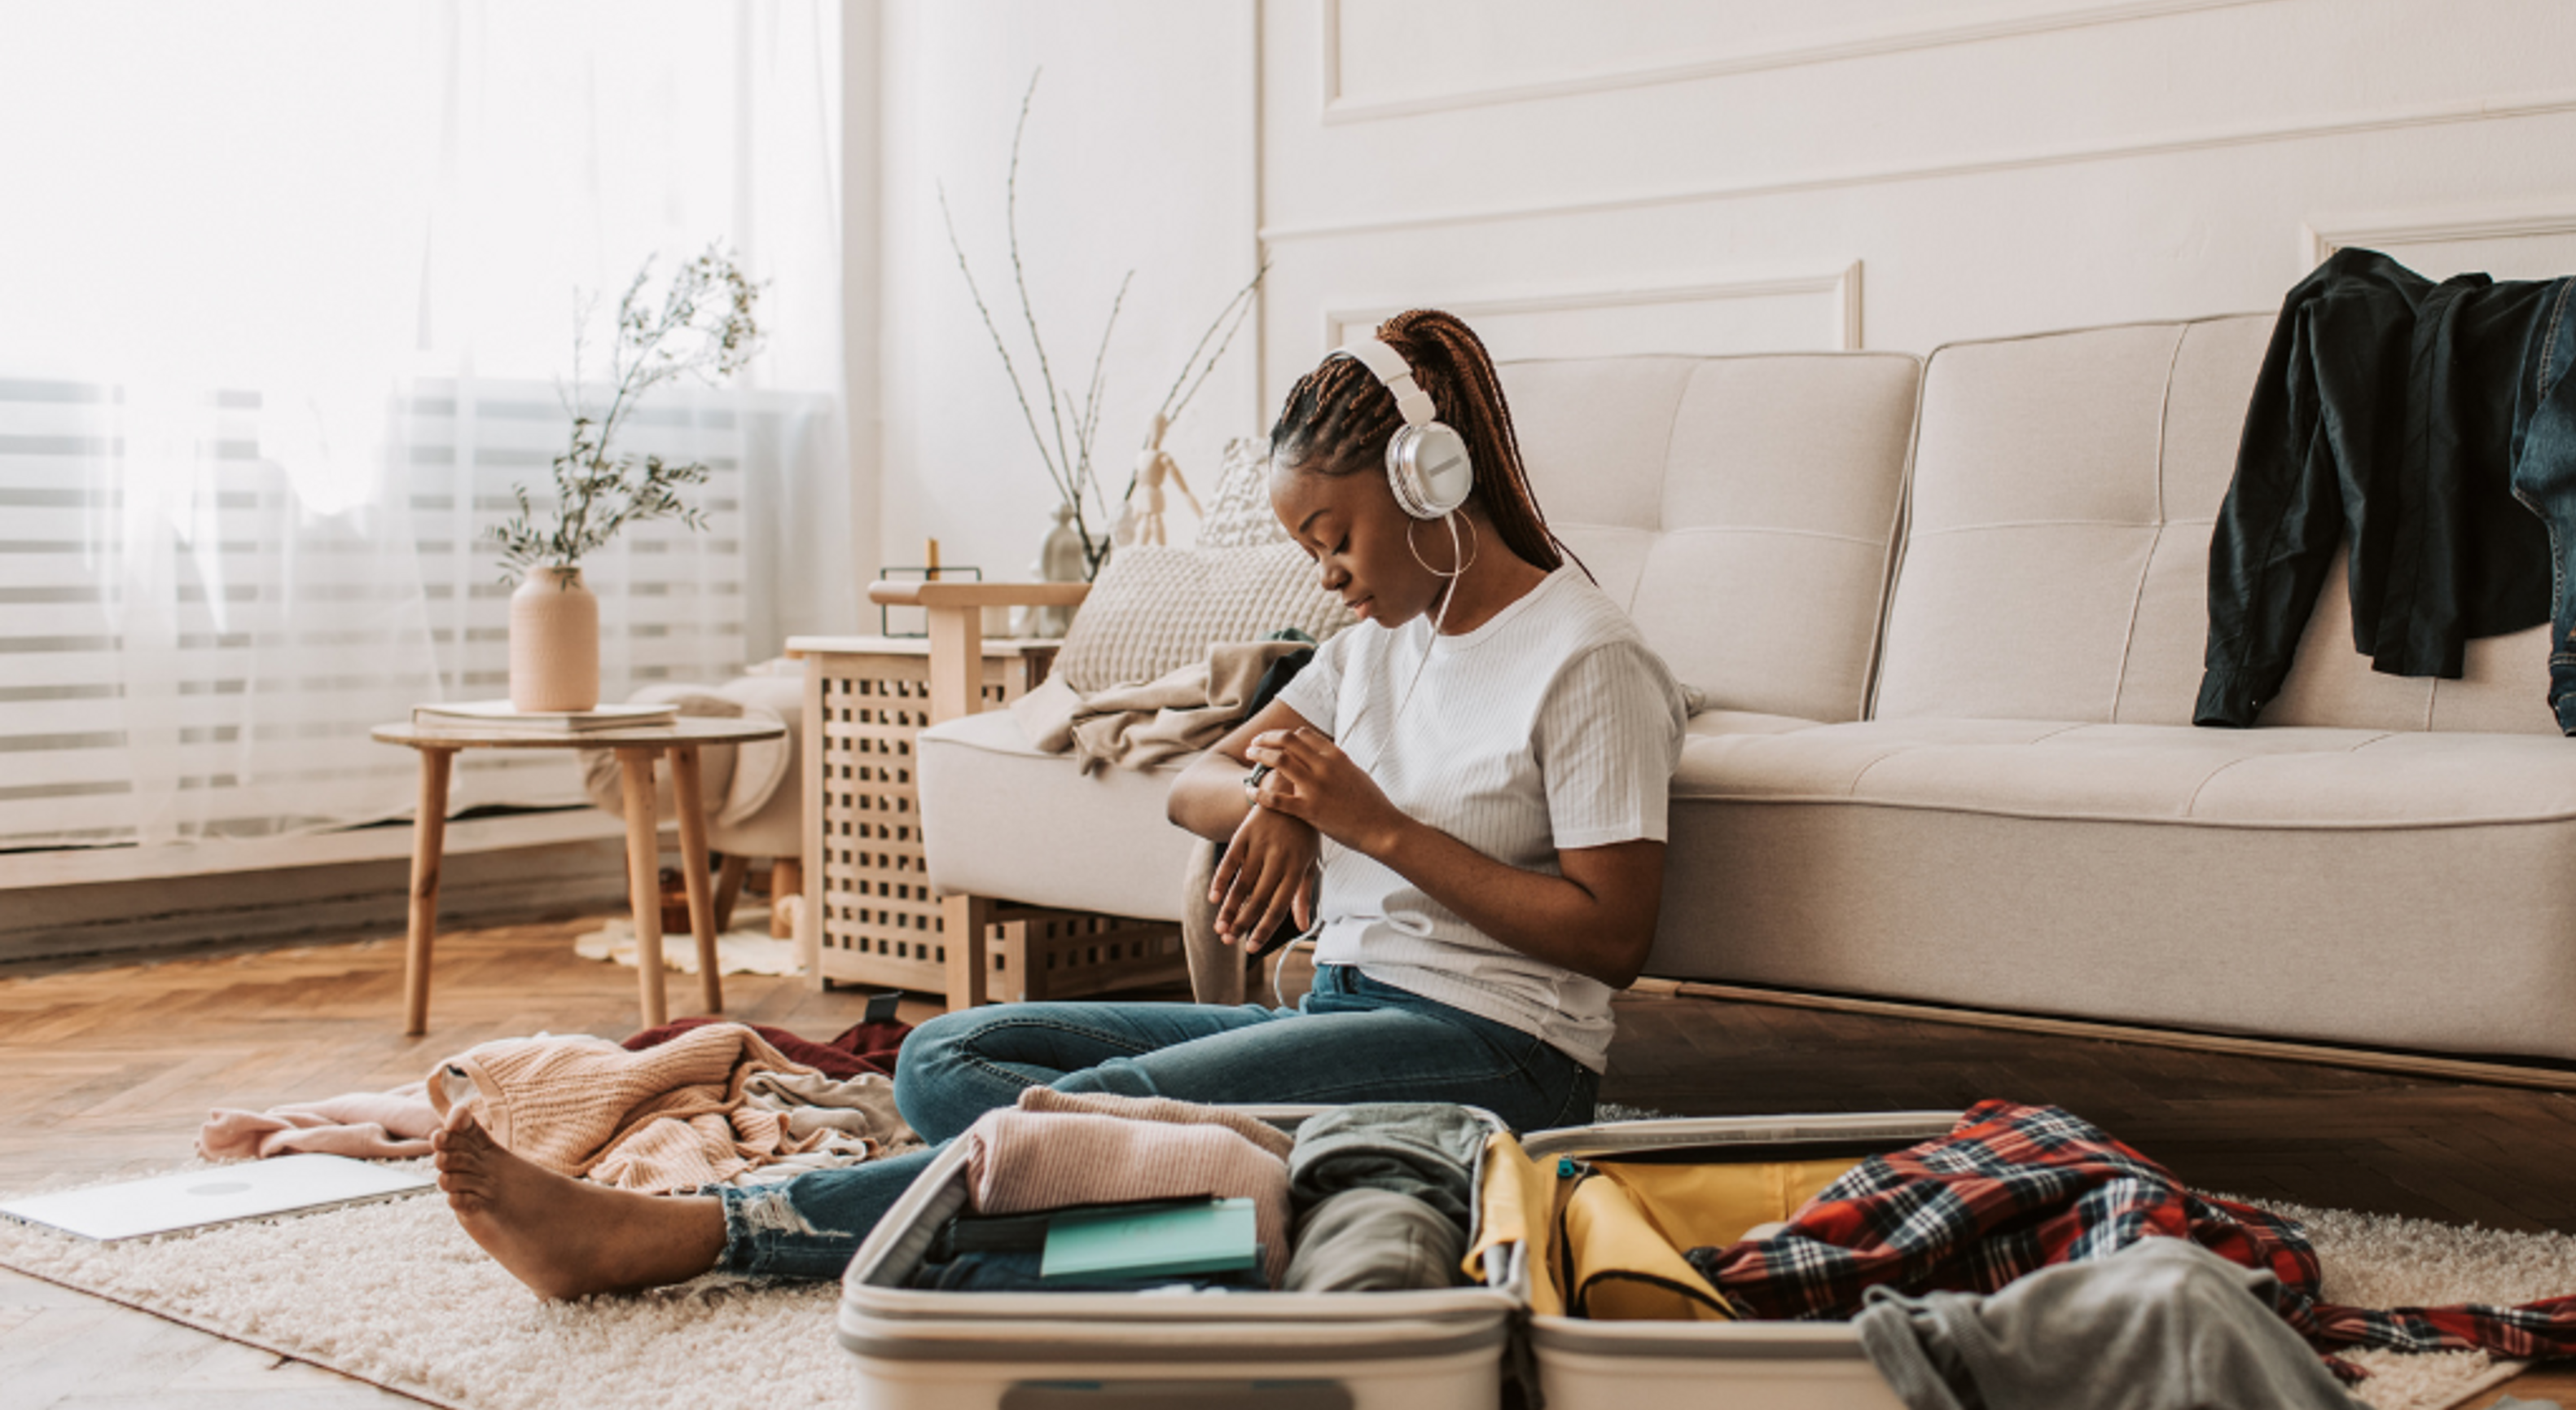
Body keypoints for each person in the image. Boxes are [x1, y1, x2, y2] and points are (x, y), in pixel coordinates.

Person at [433, 307, 1687, 1298]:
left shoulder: (1587, 661)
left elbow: (1612, 938)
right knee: (949, 1053)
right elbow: (1198, 782)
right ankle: (1191, 1227)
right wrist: (1285, 808)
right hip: (1352, 1004)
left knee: (1097, 1121)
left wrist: (1374, 826)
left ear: (1428, 484)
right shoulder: (1378, 646)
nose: (1327, 573)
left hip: (1493, 1052)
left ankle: (701, 1237)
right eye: (1307, 544)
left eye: (1336, 535)